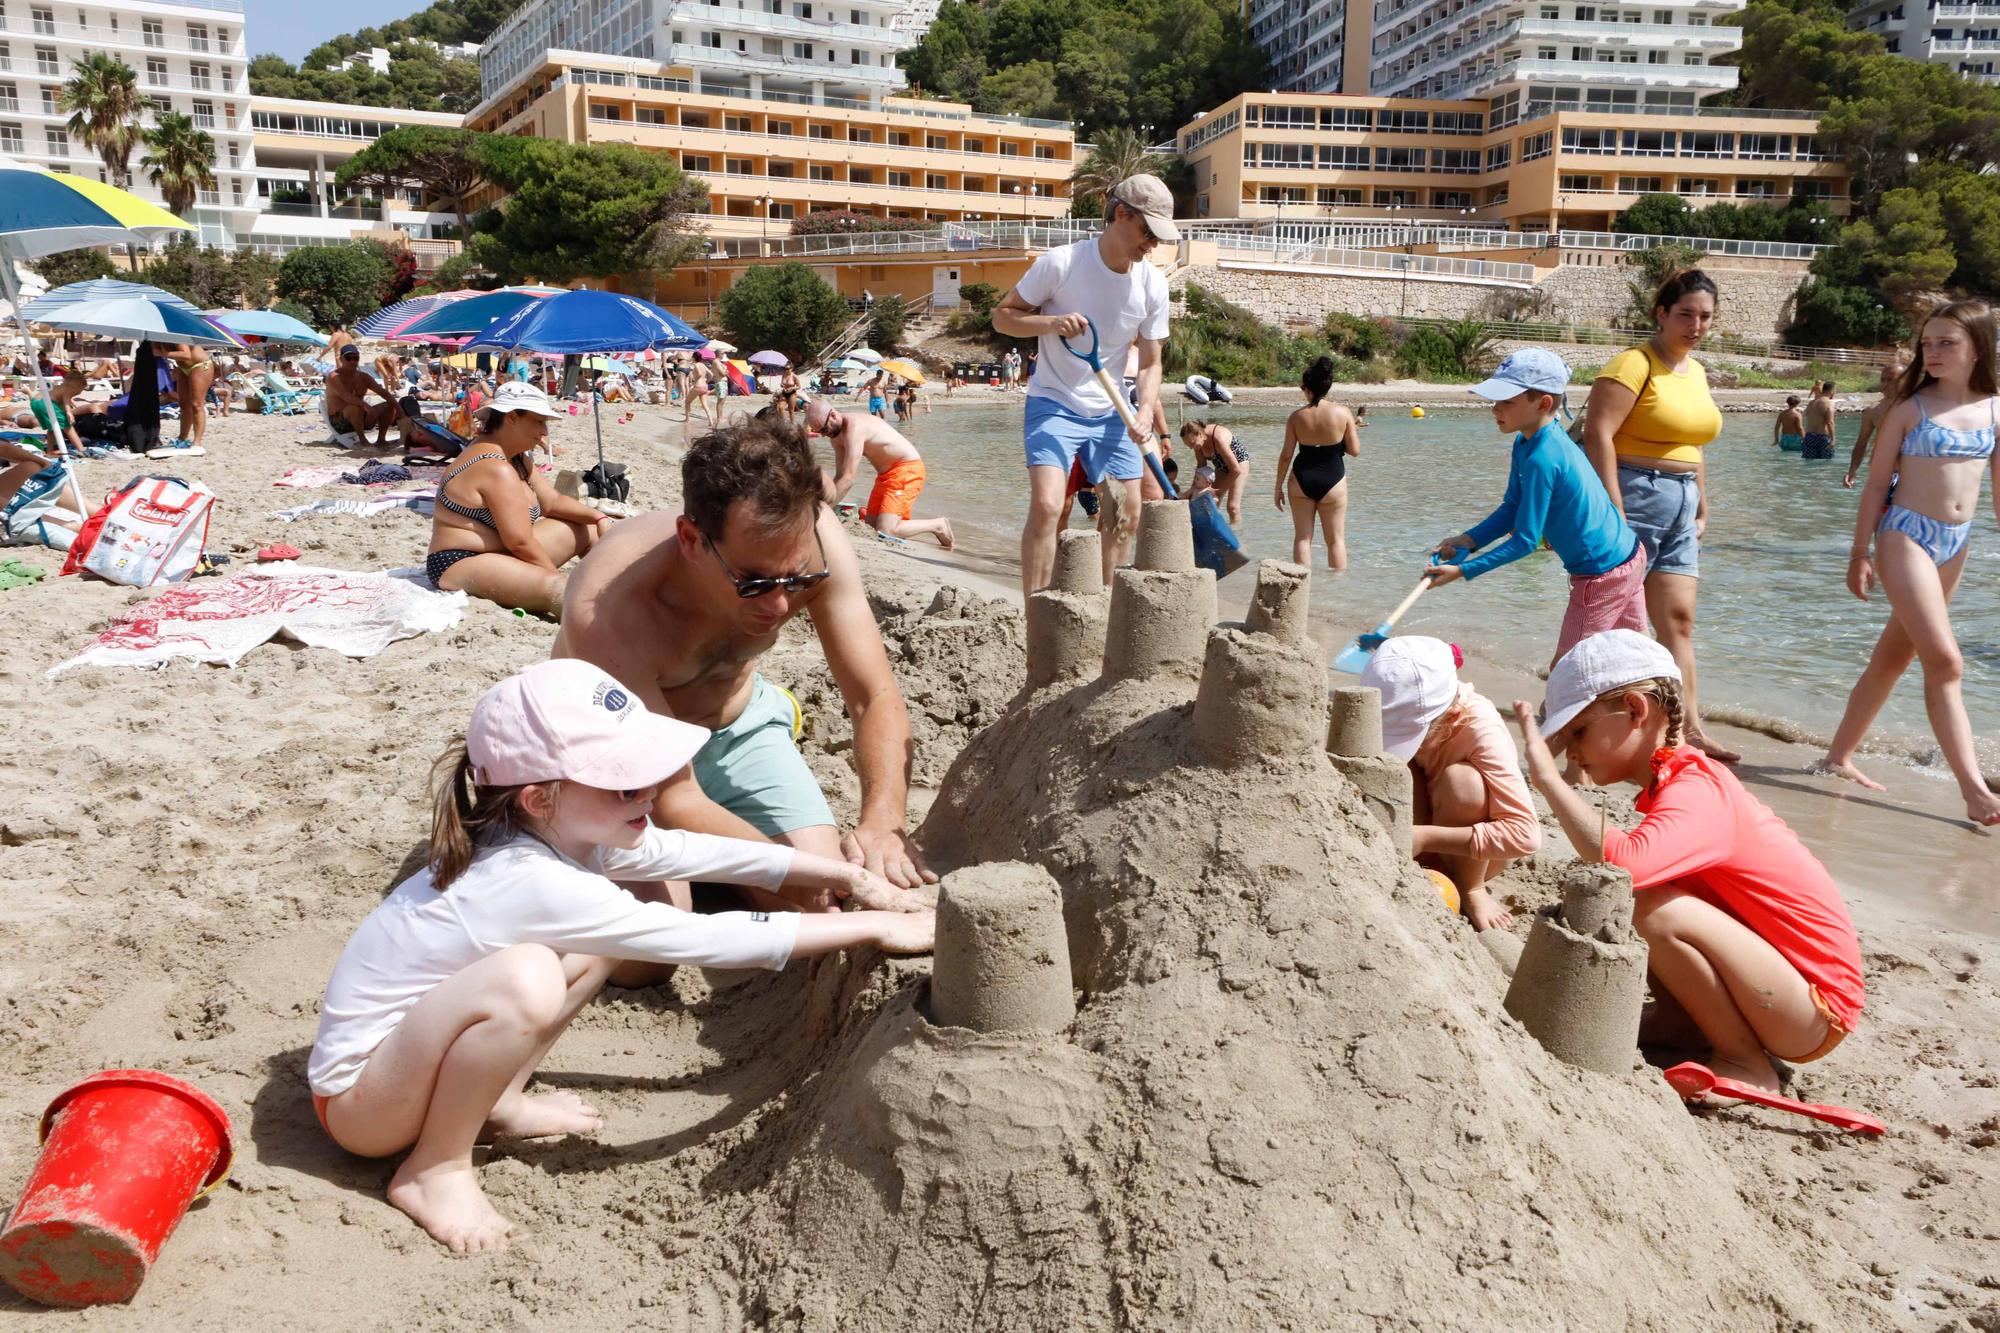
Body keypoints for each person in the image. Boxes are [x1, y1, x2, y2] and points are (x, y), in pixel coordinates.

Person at [307, 659, 932, 1254]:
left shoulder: (565, 833)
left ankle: (497, 1100)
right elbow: (706, 939)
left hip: (408, 1066)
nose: (651, 794)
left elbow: (696, 852)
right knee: (526, 979)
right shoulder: (530, 877)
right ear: (538, 798)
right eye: (627, 782)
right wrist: (870, 927)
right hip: (363, 1106)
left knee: (583, 949)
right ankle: (434, 1169)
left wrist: (846, 879)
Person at [555, 417, 938, 892]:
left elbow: (873, 695)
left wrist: (883, 821)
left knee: (820, 899)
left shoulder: (817, 543)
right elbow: (678, 796)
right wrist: (802, 877)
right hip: (621, 755)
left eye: (795, 581)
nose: (779, 605)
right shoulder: (608, 603)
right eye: (753, 583)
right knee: (646, 965)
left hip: (738, 729)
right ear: (692, 540)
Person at [1512, 630, 1864, 1098]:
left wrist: (1547, 781)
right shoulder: (1674, 780)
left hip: (1815, 1008)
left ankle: (1746, 1064)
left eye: (1577, 732)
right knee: (1651, 897)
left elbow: (1624, 865)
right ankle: (1682, 1026)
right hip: (1777, 991)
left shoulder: (1698, 788)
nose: (1570, 751)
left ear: (1636, 710)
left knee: (1648, 903)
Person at [1817, 299, 2000, 824]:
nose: (1934, 352)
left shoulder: (1993, 409)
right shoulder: (1908, 409)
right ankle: (1974, 789)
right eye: (1928, 342)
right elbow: (1876, 486)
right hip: (1905, 538)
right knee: (1946, 662)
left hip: (1956, 543)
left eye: (1947, 342)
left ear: (1977, 348)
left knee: (1893, 658)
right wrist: (1859, 552)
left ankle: (1837, 757)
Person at [1581, 269, 1737, 761]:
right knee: (1611, 619)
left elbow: (1691, 444)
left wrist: (1703, 502)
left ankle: (1689, 728)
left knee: (1680, 621)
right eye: (1686, 313)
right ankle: (1577, 713)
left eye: (1705, 316)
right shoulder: (1632, 363)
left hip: (1683, 501)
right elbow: (1598, 434)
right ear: (1662, 313)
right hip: (1634, 493)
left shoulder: (1697, 372)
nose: (1696, 325)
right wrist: (1613, 507)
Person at [995, 174, 1175, 596]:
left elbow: (1151, 362)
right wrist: (1051, 322)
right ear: (1120, 214)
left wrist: (1145, 410)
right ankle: (1036, 609)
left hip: (1112, 411)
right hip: (1054, 401)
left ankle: (1102, 603)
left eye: (1158, 237)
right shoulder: (1062, 263)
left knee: (1124, 510)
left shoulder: (1153, 284)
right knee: (1047, 504)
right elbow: (1003, 316)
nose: (1152, 245)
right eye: (1147, 232)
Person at [1428, 349, 1649, 663]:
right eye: (1496, 400)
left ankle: (1557, 713)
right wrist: (1470, 539)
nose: (1494, 409)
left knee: (1567, 671)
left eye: (1507, 401)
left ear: (1543, 403)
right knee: (1639, 659)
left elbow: (1526, 542)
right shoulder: (1527, 442)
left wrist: (1463, 570)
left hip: (1601, 575)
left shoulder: (1543, 458)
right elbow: (1512, 506)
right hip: (1628, 555)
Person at [1361, 637, 1539, 933]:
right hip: (1421, 833)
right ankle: (1419, 861)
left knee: (1464, 782)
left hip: (1469, 852)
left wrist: (1426, 837)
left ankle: (1471, 890)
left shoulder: (1483, 731)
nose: (1406, 744)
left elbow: (1526, 837)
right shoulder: (1417, 707)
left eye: (1413, 736)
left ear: (1452, 716)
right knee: (1392, 765)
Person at [424, 382, 614, 616]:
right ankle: (613, 615)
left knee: (589, 529)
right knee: (561, 589)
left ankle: (618, 588)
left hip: (506, 551)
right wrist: (552, 574)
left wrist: (598, 516)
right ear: (512, 417)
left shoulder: (516, 459)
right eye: (539, 421)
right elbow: (520, 542)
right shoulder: (493, 466)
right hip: (461, 560)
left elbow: (552, 502)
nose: (544, 431)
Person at [807, 396, 953, 549]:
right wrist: (821, 504)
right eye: (819, 432)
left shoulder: (855, 428)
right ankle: (881, 515)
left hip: (907, 470)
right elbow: (840, 476)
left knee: (886, 530)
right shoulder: (836, 437)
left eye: (824, 429)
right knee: (871, 527)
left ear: (833, 415)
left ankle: (938, 525)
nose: (824, 434)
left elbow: (849, 479)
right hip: (885, 476)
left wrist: (820, 513)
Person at [1273, 355, 1359, 571]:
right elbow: (1355, 451)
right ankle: (1336, 592)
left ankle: (1302, 590)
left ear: (1309, 389)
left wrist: (1278, 487)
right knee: (1336, 541)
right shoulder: (1343, 413)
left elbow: (1286, 455)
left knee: (1303, 538)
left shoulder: (1296, 417)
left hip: (1301, 480)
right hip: (1334, 480)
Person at [1843, 358, 1909, 489]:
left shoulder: (1917, 408)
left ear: (1905, 381)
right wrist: (1852, 470)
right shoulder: (1872, 411)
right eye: (1883, 379)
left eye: (1891, 380)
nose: (1885, 384)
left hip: (1913, 475)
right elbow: (1861, 444)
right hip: (1884, 475)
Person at [326, 345, 400, 447]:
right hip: (339, 421)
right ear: (341, 359)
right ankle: (363, 440)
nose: (352, 361)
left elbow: (384, 393)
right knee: (356, 406)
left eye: (355, 358)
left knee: (389, 406)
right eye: (348, 358)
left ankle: (381, 439)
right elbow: (346, 396)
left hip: (361, 417)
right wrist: (367, 406)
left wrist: (401, 412)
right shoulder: (334, 377)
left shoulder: (363, 377)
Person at [1181, 418, 1248, 525]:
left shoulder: (1218, 438)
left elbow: (1235, 470)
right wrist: (1193, 490)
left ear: (1200, 434)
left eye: (1192, 443)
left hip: (1239, 464)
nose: (1191, 447)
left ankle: (1237, 533)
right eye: (1188, 445)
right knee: (1210, 503)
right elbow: (1201, 467)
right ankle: (1211, 530)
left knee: (1232, 508)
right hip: (1221, 467)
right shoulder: (1197, 445)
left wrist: (1220, 491)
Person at [158, 343, 216, 455]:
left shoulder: (175, 332)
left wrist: (162, 353)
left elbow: (186, 354)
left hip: (200, 365)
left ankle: (197, 442)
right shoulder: (156, 335)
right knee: (183, 404)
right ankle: (182, 439)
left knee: (196, 404)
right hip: (183, 368)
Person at [1800, 379, 1837, 460]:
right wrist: (1833, 438)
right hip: (1823, 437)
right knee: (1825, 464)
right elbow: (1830, 422)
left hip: (1809, 436)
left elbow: (1804, 417)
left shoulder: (1811, 403)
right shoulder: (1829, 403)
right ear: (1832, 390)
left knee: (1809, 464)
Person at [681, 355, 719, 432]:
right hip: (704, 386)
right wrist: (706, 381)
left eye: (692, 357)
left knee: (687, 401)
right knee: (705, 405)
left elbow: (699, 374)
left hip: (698, 386)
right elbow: (711, 374)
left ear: (694, 358)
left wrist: (695, 381)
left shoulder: (696, 365)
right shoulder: (703, 364)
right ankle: (711, 422)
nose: (691, 358)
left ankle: (687, 419)